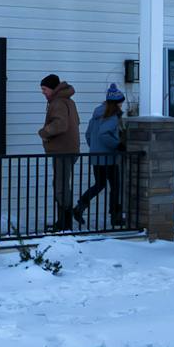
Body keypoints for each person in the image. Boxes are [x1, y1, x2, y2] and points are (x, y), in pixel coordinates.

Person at [75, 83, 126, 227]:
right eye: (121, 102)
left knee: (99, 184)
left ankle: (79, 208)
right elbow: (104, 134)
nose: (121, 105)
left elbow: (88, 135)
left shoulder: (96, 115)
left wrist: (95, 149)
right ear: (116, 103)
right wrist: (117, 145)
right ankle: (115, 217)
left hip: (96, 157)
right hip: (109, 158)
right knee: (115, 186)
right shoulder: (112, 117)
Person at [38, 74, 81, 231]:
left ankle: (64, 224)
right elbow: (76, 122)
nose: (43, 92)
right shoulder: (68, 101)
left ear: (53, 88)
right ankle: (62, 222)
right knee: (61, 184)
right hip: (70, 149)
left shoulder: (58, 103)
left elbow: (60, 124)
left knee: (60, 186)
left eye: (44, 89)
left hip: (62, 151)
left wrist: (44, 132)